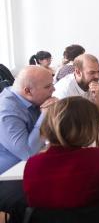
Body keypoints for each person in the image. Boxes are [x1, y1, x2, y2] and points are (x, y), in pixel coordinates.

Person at [0, 66, 57, 223]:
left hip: (31, 168)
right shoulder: (6, 109)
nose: (54, 89)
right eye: (48, 86)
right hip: (7, 178)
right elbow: (27, 153)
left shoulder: (33, 100)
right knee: (51, 196)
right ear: (27, 91)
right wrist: (45, 115)